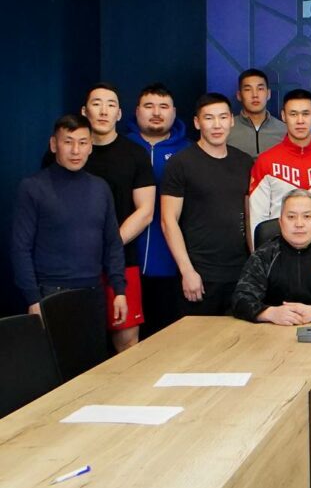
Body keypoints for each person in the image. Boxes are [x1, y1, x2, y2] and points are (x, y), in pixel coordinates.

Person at [12, 114, 128, 330]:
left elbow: (113, 243)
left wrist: (119, 291)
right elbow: (20, 248)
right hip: (50, 293)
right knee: (55, 352)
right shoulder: (32, 187)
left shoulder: (100, 188)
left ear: (90, 146)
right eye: (68, 142)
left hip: (93, 291)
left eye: (82, 143)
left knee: (94, 353)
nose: (76, 150)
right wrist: (33, 299)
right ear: (54, 144)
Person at [161, 93, 254, 316]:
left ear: (231, 120)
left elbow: (250, 216)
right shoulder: (181, 163)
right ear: (197, 122)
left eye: (223, 117)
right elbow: (168, 221)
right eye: (209, 118)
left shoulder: (244, 162)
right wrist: (187, 271)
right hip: (200, 273)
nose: (217, 125)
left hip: (240, 271)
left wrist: (254, 265)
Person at [80, 83, 154, 351]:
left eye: (110, 105)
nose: (103, 111)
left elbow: (145, 211)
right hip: (74, 265)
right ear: (84, 111)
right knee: (75, 342)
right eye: (96, 103)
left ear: (119, 114)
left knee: (127, 344)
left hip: (122, 261)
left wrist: (109, 246)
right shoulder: (69, 153)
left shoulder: (135, 154)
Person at [233, 190, 311, 324]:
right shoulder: (264, 255)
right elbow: (241, 299)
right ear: (281, 222)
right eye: (291, 217)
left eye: (307, 216)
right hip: (274, 329)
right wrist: (268, 313)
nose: (299, 224)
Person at [128, 83, 191, 337]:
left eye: (163, 106)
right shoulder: (123, 148)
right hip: (127, 264)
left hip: (173, 265)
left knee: (171, 340)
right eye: (149, 106)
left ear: (174, 112)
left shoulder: (190, 151)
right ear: (137, 111)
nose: (156, 113)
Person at [249, 89, 311, 239]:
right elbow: (258, 220)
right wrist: (263, 253)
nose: (300, 121)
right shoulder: (265, 161)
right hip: (277, 249)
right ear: (283, 116)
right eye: (293, 114)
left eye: (305, 114)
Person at [227, 68, 286, 157]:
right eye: (248, 89)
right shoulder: (226, 130)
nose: (255, 95)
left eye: (260, 89)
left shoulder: (284, 131)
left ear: (268, 94)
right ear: (239, 95)